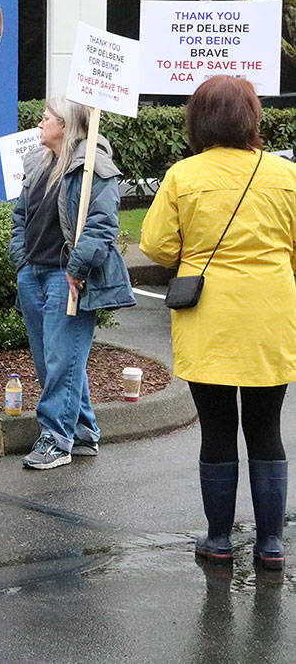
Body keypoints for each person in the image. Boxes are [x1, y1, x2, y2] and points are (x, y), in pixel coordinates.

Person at [141, 76, 296, 569]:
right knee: (267, 428)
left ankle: (218, 539)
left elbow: (156, 246)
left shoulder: (183, 177)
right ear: (253, 117)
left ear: (197, 120)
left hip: (208, 315)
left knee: (217, 427)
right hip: (270, 313)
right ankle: (271, 543)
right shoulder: (285, 175)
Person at [10, 98, 133, 471]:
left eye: (48, 117)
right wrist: (22, 260)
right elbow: (20, 215)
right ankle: (82, 430)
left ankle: (56, 438)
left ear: (66, 126)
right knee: (54, 360)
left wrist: (77, 268)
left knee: (62, 359)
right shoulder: (37, 163)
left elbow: (102, 224)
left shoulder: (94, 166)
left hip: (69, 276)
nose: (40, 121)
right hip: (35, 272)